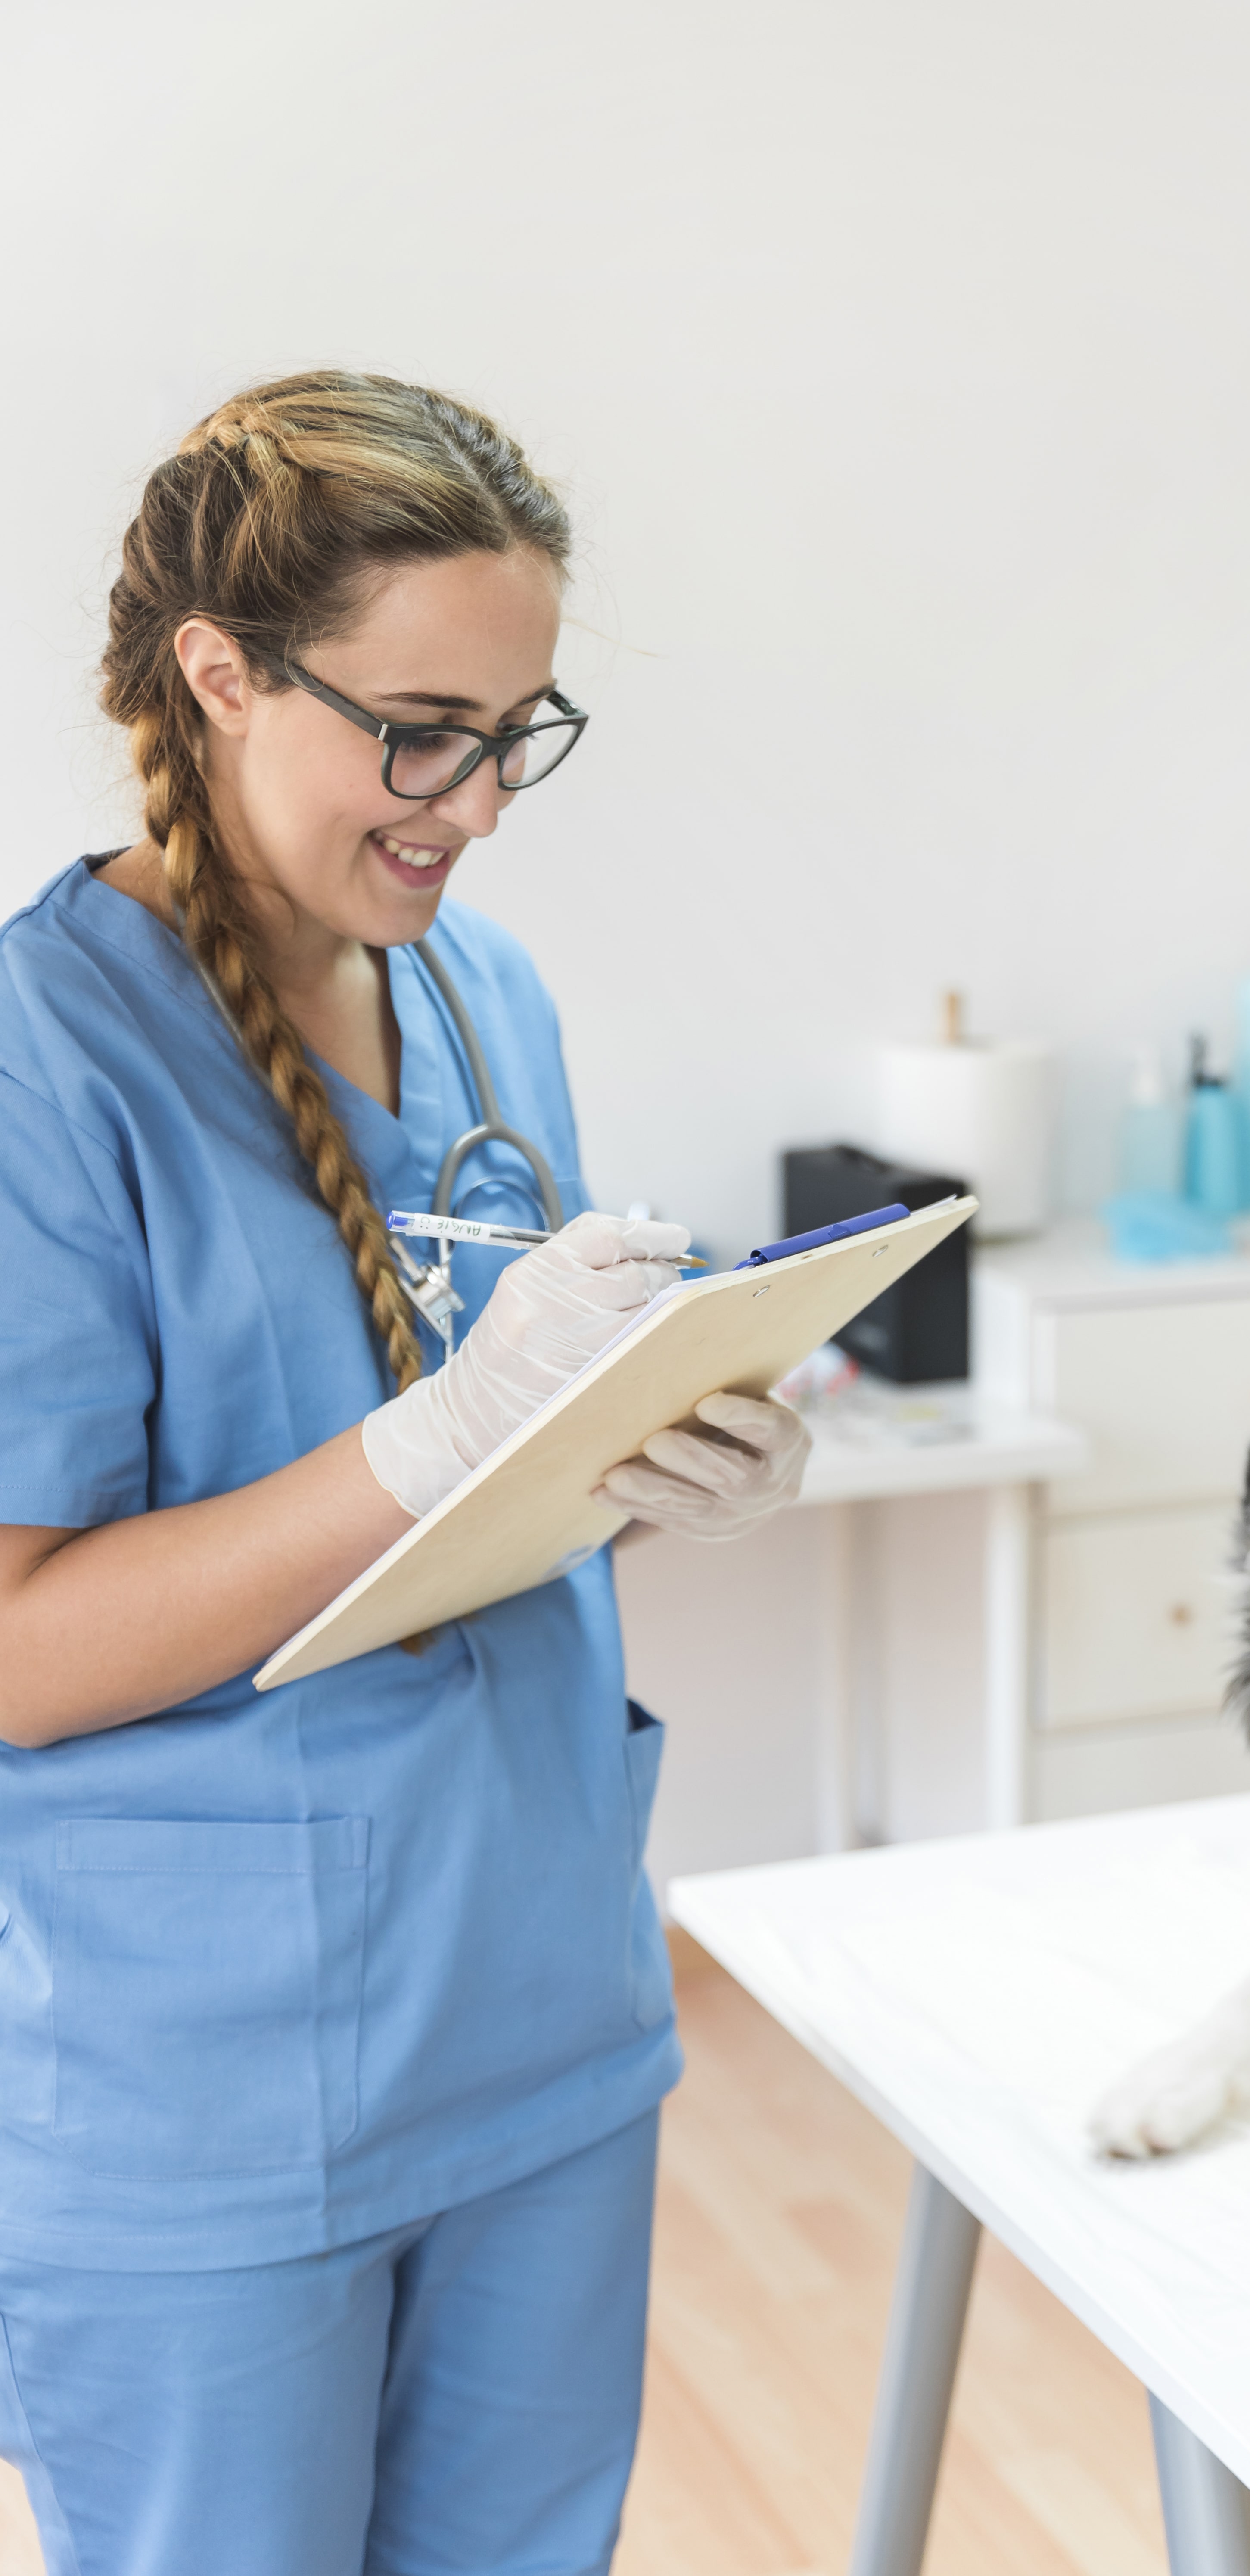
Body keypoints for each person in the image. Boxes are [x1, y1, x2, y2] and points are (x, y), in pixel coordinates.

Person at [0, 371, 810, 2576]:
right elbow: (16, 1650)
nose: (472, 804)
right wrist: (428, 1441)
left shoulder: (482, 995)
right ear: (220, 673)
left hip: (538, 2013)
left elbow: (493, 1475)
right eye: (420, 727)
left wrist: (663, 1441)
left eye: (516, 732)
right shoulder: (41, 1064)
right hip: (218, 2102)